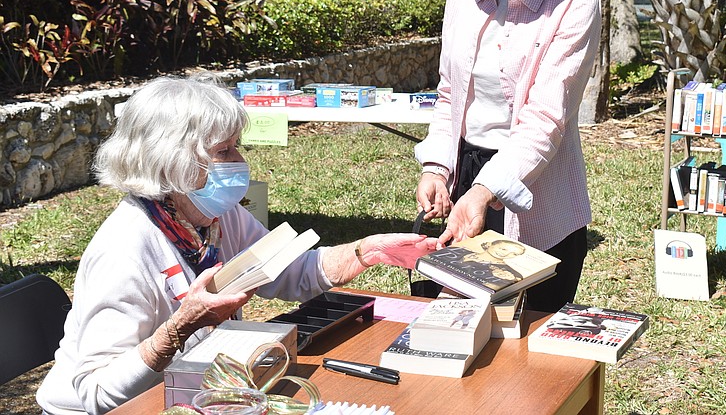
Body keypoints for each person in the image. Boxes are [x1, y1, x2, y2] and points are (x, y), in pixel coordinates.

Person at [37, 74, 437, 415]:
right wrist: (181, 326)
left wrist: (364, 251)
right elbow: (96, 393)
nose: (239, 161)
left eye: (236, 146)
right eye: (224, 151)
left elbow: (288, 273)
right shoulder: (124, 250)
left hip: (191, 392)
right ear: (172, 160)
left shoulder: (215, 214)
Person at [414, 0, 602, 313]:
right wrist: (437, 167)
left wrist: (484, 192)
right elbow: (448, 92)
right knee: (443, 321)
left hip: (536, 184)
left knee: (526, 336)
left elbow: (545, 119)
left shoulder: (576, 3)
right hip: (463, 170)